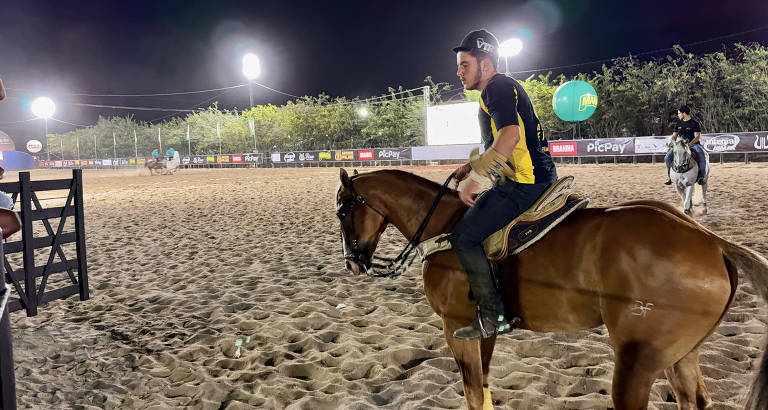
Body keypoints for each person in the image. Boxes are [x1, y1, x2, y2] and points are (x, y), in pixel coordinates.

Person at [449, 29, 558, 340]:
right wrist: (471, 166)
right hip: (534, 175)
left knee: (464, 238)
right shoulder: (499, 89)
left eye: (465, 65)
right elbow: (497, 143)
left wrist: (476, 180)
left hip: (525, 183)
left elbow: (510, 136)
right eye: (459, 66)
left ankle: (492, 317)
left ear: (485, 64)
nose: (459, 72)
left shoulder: (496, 88)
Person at [664, 105, 706, 185]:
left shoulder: (694, 124)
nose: (678, 115)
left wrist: (689, 144)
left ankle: (701, 176)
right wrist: (672, 142)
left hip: (693, 145)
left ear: (684, 113)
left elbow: (697, 137)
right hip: (680, 146)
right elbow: (674, 136)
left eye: (679, 113)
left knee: (701, 154)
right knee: (667, 157)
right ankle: (669, 176)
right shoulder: (678, 123)